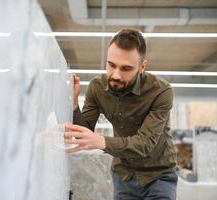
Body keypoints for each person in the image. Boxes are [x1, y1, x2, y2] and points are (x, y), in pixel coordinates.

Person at [64, 29, 178, 200]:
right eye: (111, 65)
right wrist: (73, 105)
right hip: (124, 174)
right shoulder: (96, 87)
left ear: (142, 67)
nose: (116, 74)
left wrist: (101, 141)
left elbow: (145, 144)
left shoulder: (160, 91)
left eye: (126, 68)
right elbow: (85, 131)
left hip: (159, 175)